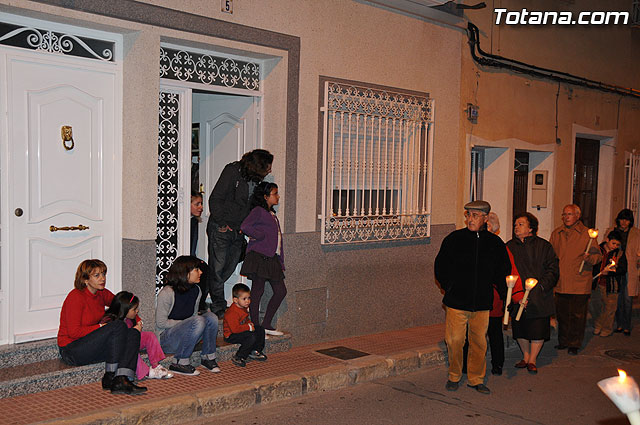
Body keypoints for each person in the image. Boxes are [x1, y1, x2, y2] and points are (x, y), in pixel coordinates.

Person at [435, 200, 510, 395]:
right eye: (468, 215)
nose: (470, 219)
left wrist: (506, 298)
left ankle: (476, 379)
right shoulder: (454, 239)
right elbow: (440, 265)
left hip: (482, 304)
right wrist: (448, 287)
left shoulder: (495, 244)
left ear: (486, 218)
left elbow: (503, 272)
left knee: (478, 343)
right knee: (454, 340)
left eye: (475, 215)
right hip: (457, 302)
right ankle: (454, 375)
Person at [57, 259, 146, 395]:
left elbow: (124, 304)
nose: (102, 279)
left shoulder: (101, 293)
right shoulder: (75, 297)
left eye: (103, 274)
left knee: (133, 333)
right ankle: (110, 376)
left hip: (92, 346)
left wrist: (137, 322)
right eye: (97, 275)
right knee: (117, 326)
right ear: (85, 279)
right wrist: (101, 327)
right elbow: (74, 332)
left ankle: (122, 379)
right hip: (72, 350)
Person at [206, 149, 274, 317]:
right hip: (221, 228)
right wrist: (222, 222)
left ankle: (207, 295)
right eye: (268, 166)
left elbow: (254, 205)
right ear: (258, 165)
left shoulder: (257, 180)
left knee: (228, 268)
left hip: (238, 230)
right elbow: (215, 199)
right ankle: (219, 307)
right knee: (217, 268)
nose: (270, 170)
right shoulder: (232, 171)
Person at [507, 212, 559, 374]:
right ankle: (525, 355)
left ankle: (533, 358)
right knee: (520, 327)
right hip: (517, 293)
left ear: (531, 228)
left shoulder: (544, 246)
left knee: (537, 328)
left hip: (539, 294)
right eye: (515, 224)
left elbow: (553, 269)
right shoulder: (509, 246)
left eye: (521, 224)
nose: (516, 227)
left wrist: (541, 287)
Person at [156, 255, 221, 376]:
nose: (200, 272)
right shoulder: (167, 293)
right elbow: (161, 323)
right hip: (166, 339)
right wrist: (187, 322)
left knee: (211, 317)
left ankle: (208, 357)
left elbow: (194, 316)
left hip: (187, 336)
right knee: (198, 320)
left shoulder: (196, 290)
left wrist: (191, 322)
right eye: (196, 269)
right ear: (185, 272)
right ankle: (179, 362)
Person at [550, 204, 602, 355]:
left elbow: (598, 256)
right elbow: (551, 254)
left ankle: (575, 343)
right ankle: (563, 341)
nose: (566, 217)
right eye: (564, 214)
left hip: (579, 281)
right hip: (561, 281)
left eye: (570, 214)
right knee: (562, 314)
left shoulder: (587, 234)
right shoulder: (557, 233)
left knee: (577, 315)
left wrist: (589, 258)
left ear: (577, 216)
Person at [240, 181, 287, 336]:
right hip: (260, 257)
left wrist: (280, 259)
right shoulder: (259, 211)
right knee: (257, 291)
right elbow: (245, 226)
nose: (278, 196)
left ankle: (266, 323)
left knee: (280, 291)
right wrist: (259, 236)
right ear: (266, 196)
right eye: (274, 194)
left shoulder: (271, 215)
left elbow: (278, 240)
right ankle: (256, 326)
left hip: (272, 258)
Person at [462, 211, 505, 376]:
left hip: (492, 298)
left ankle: (497, 363)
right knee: (471, 333)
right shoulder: (471, 244)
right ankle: (467, 364)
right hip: (473, 298)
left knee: (493, 332)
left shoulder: (498, 246)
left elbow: (505, 273)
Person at [102, 291, 173, 380]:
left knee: (149, 336)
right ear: (124, 310)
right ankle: (147, 372)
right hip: (119, 348)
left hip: (131, 342)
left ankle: (156, 365)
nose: (137, 311)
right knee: (132, 350)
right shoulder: (111, 320)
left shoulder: (130, 318)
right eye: (134, 310)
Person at [605, 209, 640, 336]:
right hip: (615, 268)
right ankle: (619, 324)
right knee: (616, 297)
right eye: (622, 219)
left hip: (629, 268)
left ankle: (626, 325)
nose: (624, 222)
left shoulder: (636, 233)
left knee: (627, 298)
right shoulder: (611, 231)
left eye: (627, 220)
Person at [592, 230, 627, 337]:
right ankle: (598, 325)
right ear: (607, 240)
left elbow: (623, 269)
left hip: (612, 285)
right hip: (597, 283)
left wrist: (613, 271)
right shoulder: (598, 249)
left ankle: (607, 328)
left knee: (610, 308)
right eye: (613, 243)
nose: (615, 246)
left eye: (617, 244)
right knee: (596, 306)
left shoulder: (619, 253)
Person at [223, 283, 268, 367]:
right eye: (244, 299)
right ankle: (239, 356)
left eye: (248, 298)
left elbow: (245, 320)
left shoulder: (243, 307)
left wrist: (249, 323)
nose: (247, 301)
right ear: (235, 300)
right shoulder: (232, 312)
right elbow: (235, 329)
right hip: (231, 335)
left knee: (260, 329)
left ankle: (255, 351)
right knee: (251, 337)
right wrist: (248, 327)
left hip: (240, 331)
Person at [190, 191, 210, 312]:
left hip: (191, 256)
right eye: (197, 204)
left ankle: (200, 305)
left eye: (201, 204)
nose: (201, 207)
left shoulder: (193, 221)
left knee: (205, 269)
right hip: (185, 258)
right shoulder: (184, 222)